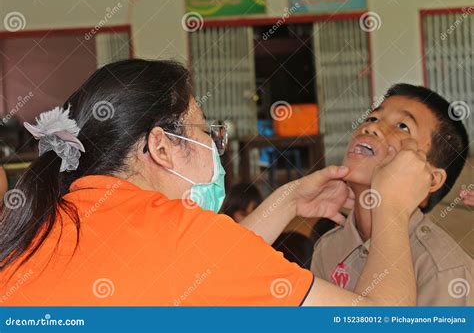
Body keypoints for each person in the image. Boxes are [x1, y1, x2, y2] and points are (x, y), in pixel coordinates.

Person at [0, 60, 431, 306]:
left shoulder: (49, 217)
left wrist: (285, 201)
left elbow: (194, 274)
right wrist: (392, 207)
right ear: (162, 146)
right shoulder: (180, 236)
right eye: (208, 132)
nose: (216, 148)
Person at [311, 84, 473, 306]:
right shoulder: (327, 248)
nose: (372, 128)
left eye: (403, 126)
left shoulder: (444, 271)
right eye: (372, 118)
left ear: (431, 179)